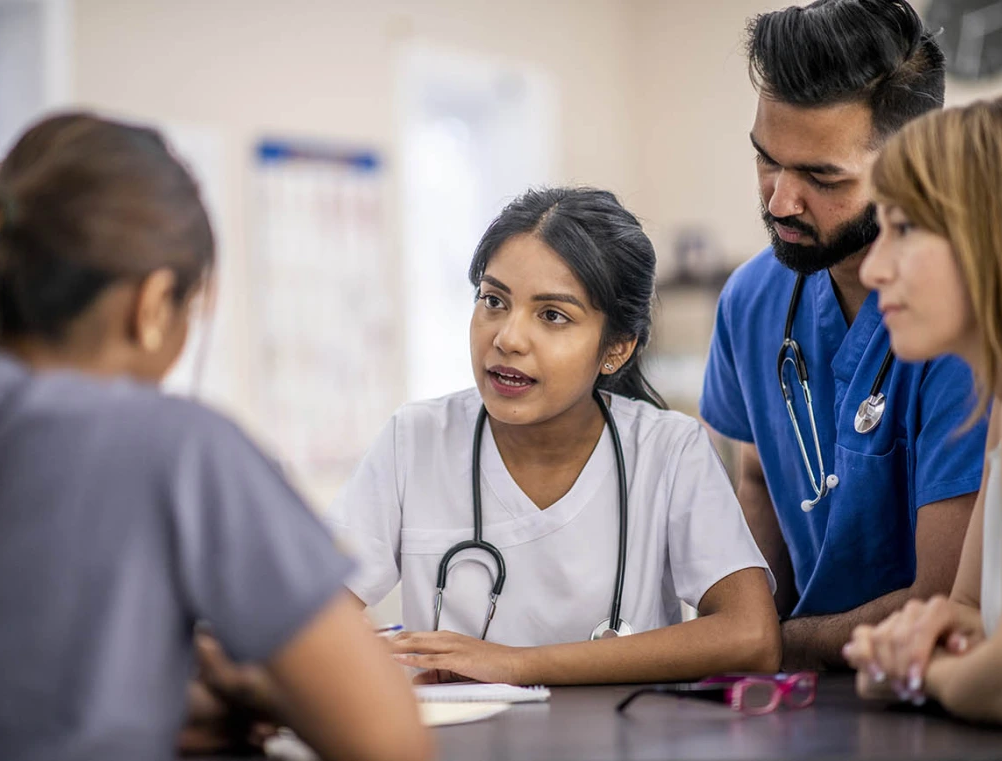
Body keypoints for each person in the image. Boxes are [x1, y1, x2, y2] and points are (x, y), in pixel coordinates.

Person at [0, 113, 430, 761]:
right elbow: (390, 742)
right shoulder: (180, 449)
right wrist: (267, 692)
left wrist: (152, 700)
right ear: (155, 304)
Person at [326, 187, 779, 686]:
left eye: (552, 315)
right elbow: (302, 619)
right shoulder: (415, 441)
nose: (507, 338)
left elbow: (751, 636)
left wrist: (516, 664)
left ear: (617, 348)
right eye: (493, 301)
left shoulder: (669, 451)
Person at [699, 0, 988, 670]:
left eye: (822, 177)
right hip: (794, 691)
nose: (778, 201)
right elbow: (756, 478)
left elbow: (938, 599)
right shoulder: (751, 298)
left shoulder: (967, 317)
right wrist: (744, 626)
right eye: (767, 160)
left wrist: (766, 642)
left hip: (928, 685)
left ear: (917, 162)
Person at [842, 92, 1002, 732]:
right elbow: (971, 612)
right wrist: (925, 634)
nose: (876, 267)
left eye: (905, 229)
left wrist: (914, 673)